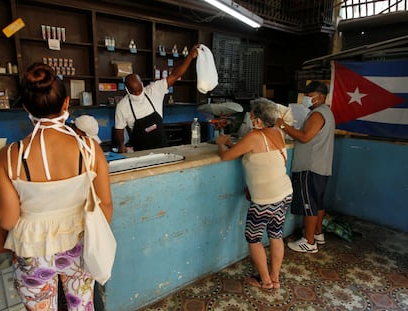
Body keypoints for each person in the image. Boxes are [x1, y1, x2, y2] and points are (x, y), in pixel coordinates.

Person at [0, 63, 113, 310]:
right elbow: (106, 206)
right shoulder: (90, 148)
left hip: (32, 250)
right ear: (66, 103)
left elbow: (7, 220)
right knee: (82, 305)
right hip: (79, 244)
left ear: (25, 106)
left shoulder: (9, 156)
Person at [216, 99, 293, 289]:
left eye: (251, 115)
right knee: (276, 234)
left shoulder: (254, 136)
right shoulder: (278, 132)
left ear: (258, 120)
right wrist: (233, 142)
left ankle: (265, 281)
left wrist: (221, 143)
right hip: (284, 193)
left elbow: (226, 156)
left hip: (265, 199)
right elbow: (258, 154)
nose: (249, 118)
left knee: (254, 238)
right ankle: (275, 278)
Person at [275, 81, 335, 253]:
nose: (307, 98)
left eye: (310, 95)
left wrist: (282, 125)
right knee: (317, 203)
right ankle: (317, 233)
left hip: (310, 166)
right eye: (306, 95)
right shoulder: (326, 112)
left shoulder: (318, 114)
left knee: (310, 205)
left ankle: (309, 243)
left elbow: (305, 137)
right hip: (321, 166)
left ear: (321, 96)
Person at [114, 44, 200, 152]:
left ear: (142, 84)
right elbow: (119, 130)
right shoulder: (122, 106)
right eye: (133, 92)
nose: (137, 94)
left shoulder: (154, 90)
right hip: (140, 152)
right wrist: (121, 145)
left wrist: (190, 56)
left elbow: (175, 75)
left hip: (162, 149)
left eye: (139, 90)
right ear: (127, 90)